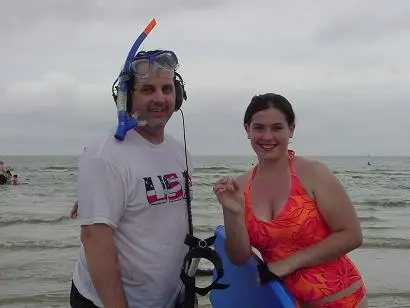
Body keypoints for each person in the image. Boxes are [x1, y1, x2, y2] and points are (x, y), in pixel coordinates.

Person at [213, 93, 367, 307]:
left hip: (342, 299)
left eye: (277, 127)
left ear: (291, 129)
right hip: (283, 302)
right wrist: (234, 213)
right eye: (259, 128)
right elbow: (239, 258)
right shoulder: (240, 188)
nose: (267, 136)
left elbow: (352, 235)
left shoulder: (313, 173)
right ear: (247, 129)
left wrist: (288, 264)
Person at [70, 49, 194, 308]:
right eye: (148, 90)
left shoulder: (179, 151)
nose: (160, 98)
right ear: (126, 98)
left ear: (178, 95)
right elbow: (95, 240)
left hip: (169, 298)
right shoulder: (105, 155)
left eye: (167, 89)